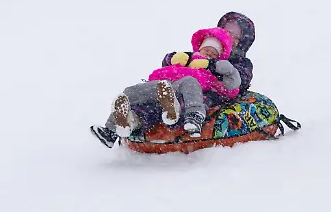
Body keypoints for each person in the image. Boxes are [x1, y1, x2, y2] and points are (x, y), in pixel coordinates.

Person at [91, 11, 256, 146]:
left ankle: (180, 116)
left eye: (235, 35)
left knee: (179, 100)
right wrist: (176, 59)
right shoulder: (198, 55)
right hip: (173, 87)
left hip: (203, 92)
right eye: (227, 30)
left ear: (242, 42)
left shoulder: (241, 62)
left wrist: (212, 65)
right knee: (146, 101)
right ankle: (117, 128)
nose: (229, 34)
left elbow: (240, 80)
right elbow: (170, 64)